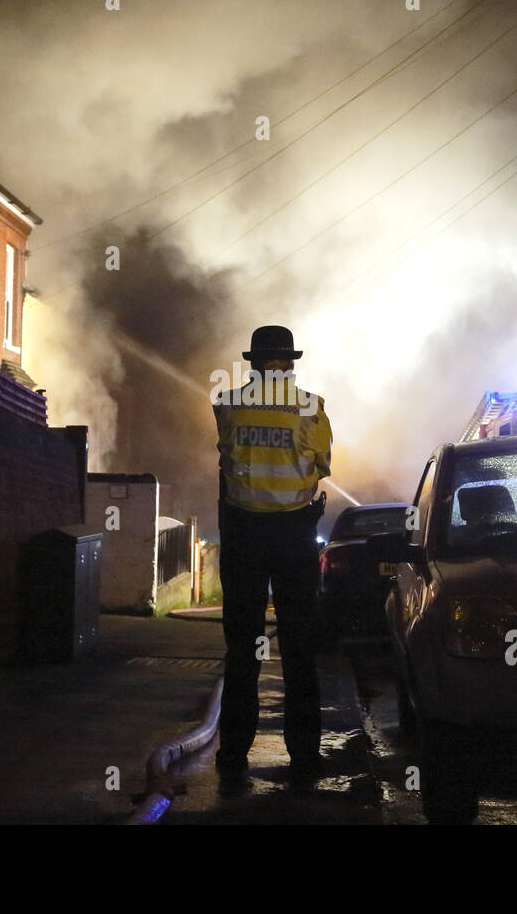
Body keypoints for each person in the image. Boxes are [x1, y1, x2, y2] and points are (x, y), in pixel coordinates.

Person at [212, 325, 332, 789]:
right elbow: (321, 464)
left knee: (242, 649)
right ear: (291, 363)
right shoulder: (312, 406)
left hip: (243, 535)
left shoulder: (226, 403)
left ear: (253, 362)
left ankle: (233, 755)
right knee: (300, 648)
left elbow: (226, 457)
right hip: (293, 535)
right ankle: (304, 757)